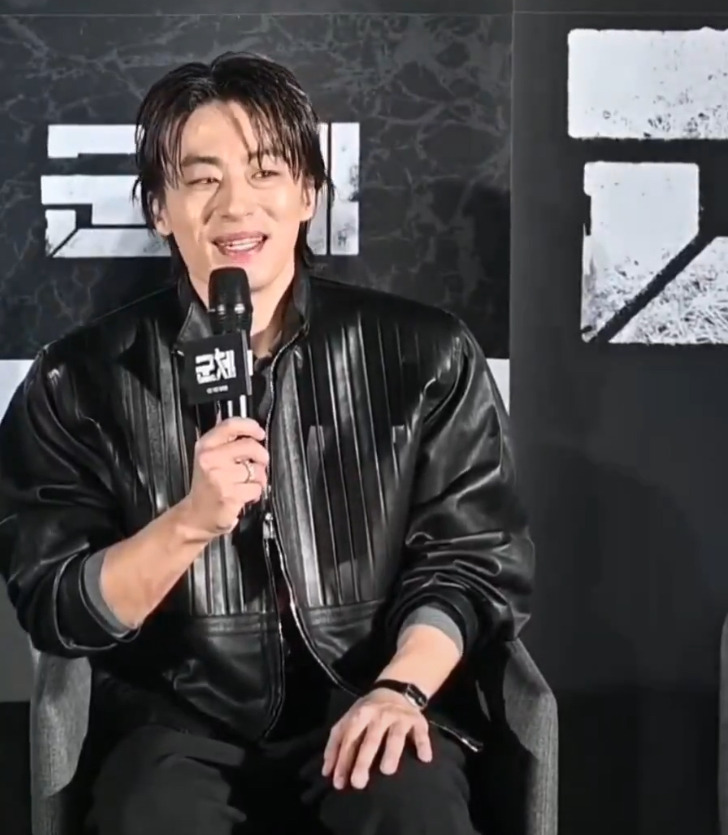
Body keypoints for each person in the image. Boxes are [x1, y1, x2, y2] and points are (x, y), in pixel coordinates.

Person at [0, 53, 533, 835]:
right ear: (159, 208)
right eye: (202, 178)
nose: (235, 205)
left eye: (265, 171)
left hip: (371, 692)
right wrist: (190, 522)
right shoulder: (74, 381)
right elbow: (57, 603)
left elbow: (473, 564)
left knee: (407, 798)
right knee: (149, 814)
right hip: (173, 720)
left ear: (308, 192)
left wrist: (401, 689)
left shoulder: (426, 354)